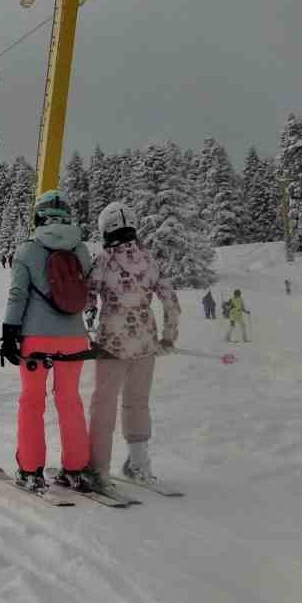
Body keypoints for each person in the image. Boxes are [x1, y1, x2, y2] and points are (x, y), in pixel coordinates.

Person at [1, 189, 96, 494]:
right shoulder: (81, 250)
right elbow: (87, 292)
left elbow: (17, 296)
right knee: (70, 402)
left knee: (32, 402)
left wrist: (8, 333)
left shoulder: (26, 250)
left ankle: (31, 471)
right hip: (74, 340)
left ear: (38, 216)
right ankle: (76, 470)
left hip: (36, 340)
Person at [85, 202, 180, 489]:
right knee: (137, 403)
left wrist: (87, 327)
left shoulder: (103, 260)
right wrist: (168, 337)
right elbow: (170, 301)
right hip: (146, 344)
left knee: (103, 405)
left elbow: (88, 296)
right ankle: (139, 465)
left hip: (110, 346)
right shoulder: (149, 259)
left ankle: (98, 469)